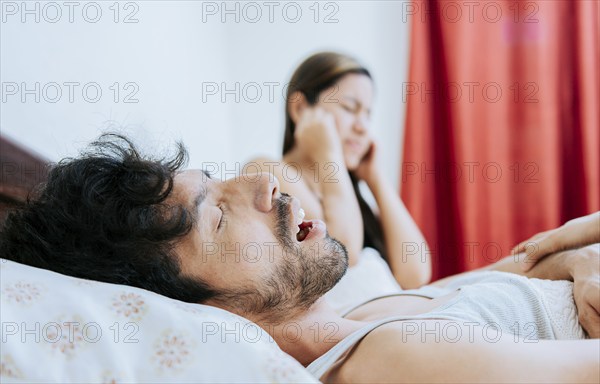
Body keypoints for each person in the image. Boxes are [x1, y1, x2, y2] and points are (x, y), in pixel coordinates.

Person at [1, 135, 598, 383]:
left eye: (218, 179)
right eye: (218, 214)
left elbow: (526, 267)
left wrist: (575, 256)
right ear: (188, 305)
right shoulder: (387, 358)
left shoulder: (363, 312)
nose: (263, 185)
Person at [248, 52, 432, 289]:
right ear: (301, 108)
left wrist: (376, 179)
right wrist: (329, 155)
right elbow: (343, 254)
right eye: (349, 108)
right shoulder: (269, 171)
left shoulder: (348, 196)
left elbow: (415, 275)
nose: (362, 127)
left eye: (368, 114)